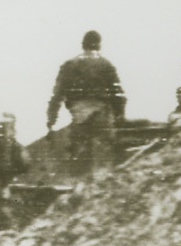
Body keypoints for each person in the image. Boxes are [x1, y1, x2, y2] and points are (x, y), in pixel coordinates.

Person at [46, 30, 126, 174]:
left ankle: (81, 187)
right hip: (102, 114)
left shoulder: (69, 65)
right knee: (104, 156)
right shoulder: (106, 64)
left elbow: (57, 95)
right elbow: (118, 94)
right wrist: (120, 115)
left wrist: (51, 120)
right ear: (99, 45)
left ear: (83, 45)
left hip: (79, 114)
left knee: (80, 155)